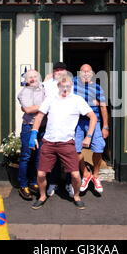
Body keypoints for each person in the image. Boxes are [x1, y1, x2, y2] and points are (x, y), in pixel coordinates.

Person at [28, 75, 97, 210]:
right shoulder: (50, 99)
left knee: (75, 175)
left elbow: (93, 117)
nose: (65, 89)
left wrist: (88, 136)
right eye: (62, 86)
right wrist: (33, 133)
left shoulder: (77, 100)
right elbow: (40, 116)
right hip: (49, 142)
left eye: (67, 86)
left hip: (67, 143)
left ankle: (76, 196)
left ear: (71, 87)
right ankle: (42, 196)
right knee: (41, 174)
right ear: (58, 86)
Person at [74, 64, 109, 194]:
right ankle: (85, 173)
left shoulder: (98, 88)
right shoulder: (73, 85)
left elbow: (103, 107)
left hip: (95, 121)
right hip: (77, 122)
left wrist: (105, 126)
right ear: (79, 73)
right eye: (83, 71)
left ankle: (95, 176)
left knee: (99, 147)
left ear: (93, 73)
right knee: (74, 150)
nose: (86, 73)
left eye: (88, 71)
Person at [42, 62, 74, 197]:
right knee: (53, 157)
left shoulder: (70, 84)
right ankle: (53, 183)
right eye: (57, 69)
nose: (59, 72)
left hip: (67, 126)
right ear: (53, 71)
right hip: (51, 125)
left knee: (68, 158)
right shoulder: (47, 84)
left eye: (62, 69)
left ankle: (68, 183)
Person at [17, 69, 46, 200]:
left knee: (38, 157)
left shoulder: (42, 88)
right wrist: (46, 105)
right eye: (30, 77)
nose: (33, 79)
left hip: (43, 128)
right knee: (26, 157)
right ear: (26, 80)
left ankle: (34, 182)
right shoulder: (24, 92)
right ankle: (23, 185)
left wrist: (38, 106)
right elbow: (28, 109)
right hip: (29, 128)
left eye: (35, 76)